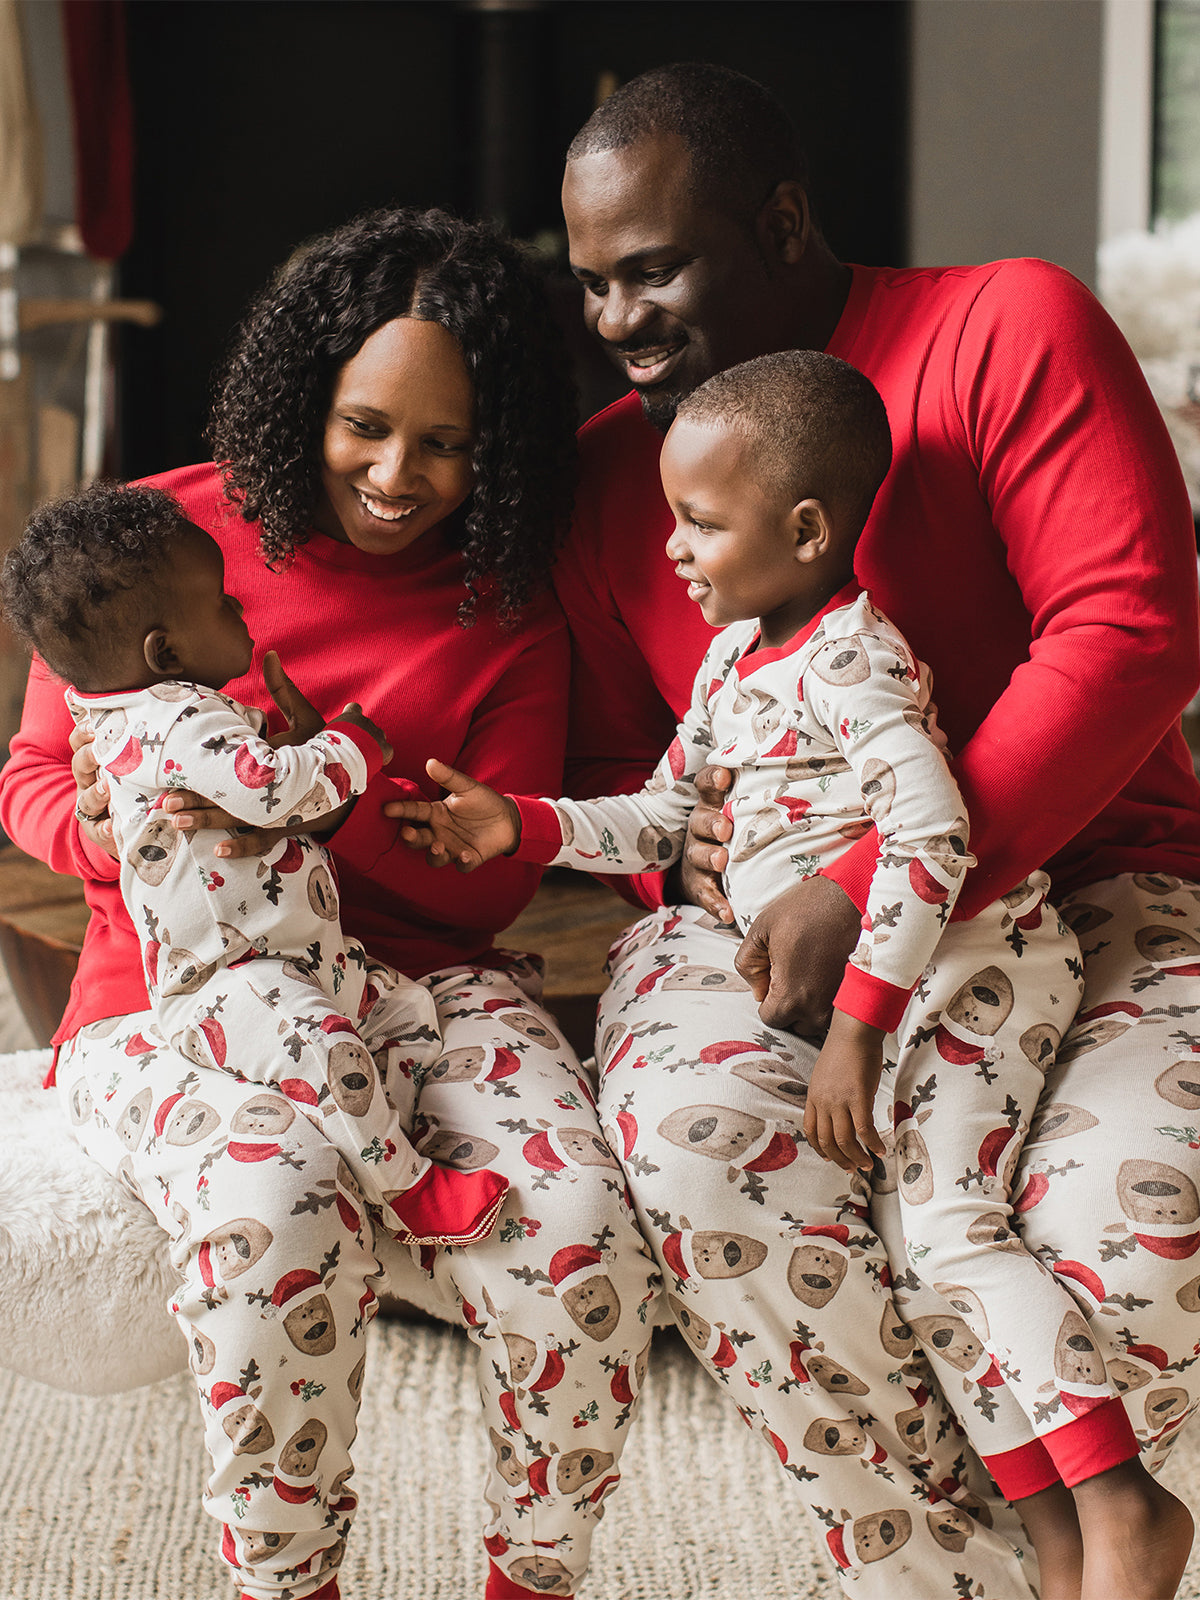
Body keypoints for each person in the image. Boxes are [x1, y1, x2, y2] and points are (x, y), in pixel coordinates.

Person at [539, 59, 1200, 1600]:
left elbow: (1131, 632)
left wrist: (873, 881)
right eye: (590, 286)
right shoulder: (600, 484)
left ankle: (1070, 1545)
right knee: (708, 1165)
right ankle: (961, 1574)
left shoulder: (1005, 326)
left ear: (780, 223)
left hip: (1106, 885)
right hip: (762, 934)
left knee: (1122, 1232)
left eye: (652, 269)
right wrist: (677, 853)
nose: (620, 317)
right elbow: (627, 765)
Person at [395, 344, 1195, 1595]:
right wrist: (528, 825)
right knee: (922, 1255)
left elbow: (936, 838)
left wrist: (858, 1030)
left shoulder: (852, 658)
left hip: (966, 963)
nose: (670, 551)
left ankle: (1125, 1507)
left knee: (950, 1228)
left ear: (809, 527)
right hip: (890, 984)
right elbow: (667, 817)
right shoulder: (731, 663)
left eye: (700, 523)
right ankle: (1049, 1538)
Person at [0, 208, 658, 1600]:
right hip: (177, 1008)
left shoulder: (511, 608)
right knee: (278, 1207)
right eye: (366, 425)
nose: (395, 475)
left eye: (448, 442)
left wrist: (328, 788)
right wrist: (100, 831)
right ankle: (288, 1585)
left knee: (579, 1227)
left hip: (424, 986)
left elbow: (486, 883)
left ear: (505, 449)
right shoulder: (153, 543)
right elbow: (31, 774)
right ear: (306, 396)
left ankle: (533, 1575)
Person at [1, 481, 510, 1248]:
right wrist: (355, 745)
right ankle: (409, 1190)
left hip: (294, 953)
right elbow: (273, 790)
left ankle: (372, 1101)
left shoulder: (146, 712)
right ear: (163, 652)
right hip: (229, 979)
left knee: (400, 1010)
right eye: (222, 603)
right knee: (328, 1048)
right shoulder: (174, 719)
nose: (241, 611)